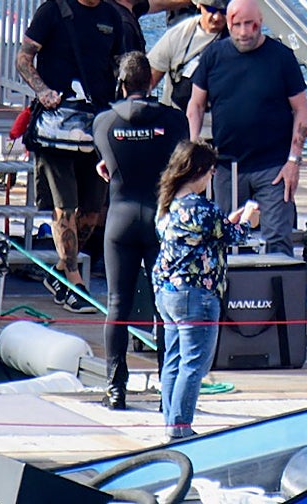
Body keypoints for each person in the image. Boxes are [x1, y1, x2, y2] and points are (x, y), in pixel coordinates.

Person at [16, 0, 123, 313]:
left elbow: (121, 62)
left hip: (95, 123)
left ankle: (60, 269)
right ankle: (74, 280)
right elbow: (24, 56)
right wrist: (42, 91)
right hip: (55, 125)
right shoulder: (53, 10)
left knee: (93, 212)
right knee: (64, 208)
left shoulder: (113, 15)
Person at [92, 51, 187, 410]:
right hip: (161, 217)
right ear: (152, 82)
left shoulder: (103, 122)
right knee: (165, 306)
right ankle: (167, 389)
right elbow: (181, 164)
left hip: (120, 217)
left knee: (118, 303)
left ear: (120, 83)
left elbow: (105, 161)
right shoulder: (174, 121)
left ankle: (116, 389)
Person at [152, 140, 258, 442]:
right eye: (211, 172)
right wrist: (249, 220)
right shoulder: (203, 209)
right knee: (194, 363)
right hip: (196, 295)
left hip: (167, 292)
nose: (212, 177)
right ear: (198, 171)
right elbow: (233, 235)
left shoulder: (168, 205)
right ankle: (181, 428)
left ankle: (172, 423)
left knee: (173, 359)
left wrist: (231, 221)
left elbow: (216, 231)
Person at [187, 0, 307, 256]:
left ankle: (281, 295)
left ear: (261, 22)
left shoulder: (282, 57)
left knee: (277, 237)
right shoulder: (213, 56)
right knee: (225, 238)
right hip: (227, 165)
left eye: (251, 25)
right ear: (228, 25)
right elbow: (195, 105)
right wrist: (194, 148)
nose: (244, 32)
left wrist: (294, 161)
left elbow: (300, 109)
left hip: (274, 166)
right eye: (237, 25)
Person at [147, 0, 235, 111]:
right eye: (211, 9)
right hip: (179, 120)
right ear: (199, 4)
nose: (217, 17)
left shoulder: (239, 40)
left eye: (223, 11)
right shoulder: (177, 35)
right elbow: (148, 82)